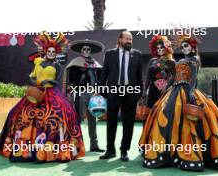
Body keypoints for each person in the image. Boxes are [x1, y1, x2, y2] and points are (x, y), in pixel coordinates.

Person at [0, 31, 85, 162]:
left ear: (56, 53)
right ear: (45, 51)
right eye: (49, 51)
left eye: (53, 52)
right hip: (36, 92)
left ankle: (52, 150)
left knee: (62, 115)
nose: (51, 54)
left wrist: (46, 82)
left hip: (52, 93)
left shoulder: (57, 66)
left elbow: (57, 81)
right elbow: (32, 77)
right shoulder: (38, 62)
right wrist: (36, 83)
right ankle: (19, 146)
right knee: (14, 113)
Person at [139, 35, 218, 171]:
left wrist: (190, 92)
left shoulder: (195, 59)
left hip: (187, 90)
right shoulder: (179, 60)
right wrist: (166, 88)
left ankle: (192, 153)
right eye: (182, 46)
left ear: (193, 47)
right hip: (174, 90)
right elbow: (173, 78)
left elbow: (193, 78)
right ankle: (169, 151)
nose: (184, 48)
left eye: (186, 46)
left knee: (191, 122)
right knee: (166, 117)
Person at [99, 31, 143, 161]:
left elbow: (139, 76)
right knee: (111, 122)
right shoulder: (110, 54)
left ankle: (124, 150)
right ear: (120, 40)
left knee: (128, 123)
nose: (129, 41)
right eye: (127, 39)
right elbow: (104, 73)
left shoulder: (138, 55)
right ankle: (110, 150)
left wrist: (139, 92)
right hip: (113, 92)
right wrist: (102, 90)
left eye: (131, 39)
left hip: (131, 93)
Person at [64, 39, 105, 152]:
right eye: (84, 49)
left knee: (92, 119)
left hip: (93, 94)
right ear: (81, 50)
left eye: (88, 49)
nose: (86, 51)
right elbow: (71, 79)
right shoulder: (76, 62)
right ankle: (74, 145)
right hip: (81, 92)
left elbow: (100, 78)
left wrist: (99, 90)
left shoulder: (95, 63)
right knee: (78, 118)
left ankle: (94, 145)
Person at [144, 35, 175, 111]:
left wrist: (166, 87)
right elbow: (148, 78)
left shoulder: (171, 61)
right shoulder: (152, 61)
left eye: (162, 48)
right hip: (152, 91)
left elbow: (174, 77)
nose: (160, 50)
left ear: (166, 48)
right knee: (150, 112)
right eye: (157, 48)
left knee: (163, 113)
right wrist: (144, 91)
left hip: (165, 92)